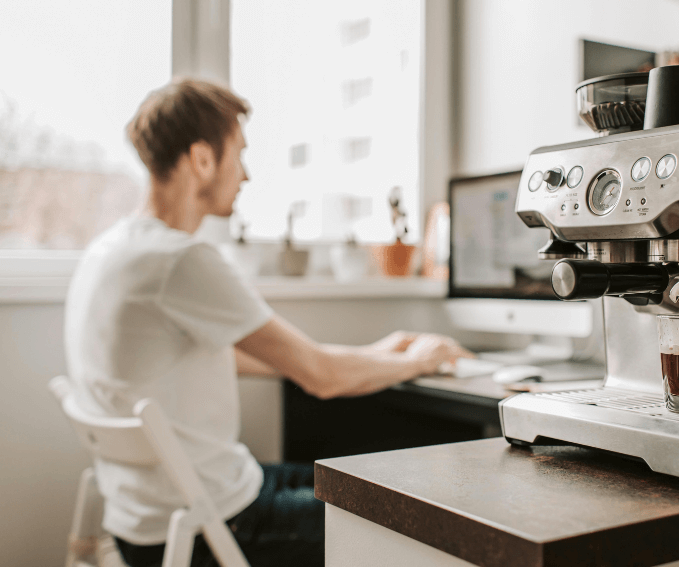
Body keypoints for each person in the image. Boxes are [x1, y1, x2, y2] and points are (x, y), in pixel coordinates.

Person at [64, 78, 471, 567]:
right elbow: (320, 377)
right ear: (202, 160)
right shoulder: (181, 260)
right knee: (421, 525)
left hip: (149, 516)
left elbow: (240, 358)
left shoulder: (113, 250)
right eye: (239, 153)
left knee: (350, 478)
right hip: (212, 526)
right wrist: (418, 361)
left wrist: (381, 353)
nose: (247, 175)